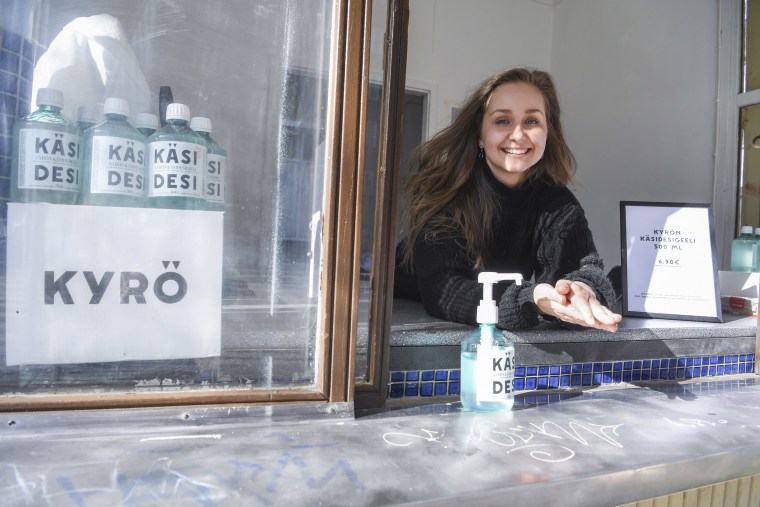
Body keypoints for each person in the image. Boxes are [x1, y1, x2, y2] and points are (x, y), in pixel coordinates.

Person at [394, 67, 621, 332]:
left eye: (531, 121)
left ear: (549, 132)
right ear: (479, 134)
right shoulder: (448, 193)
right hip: (402, 304)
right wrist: (530, 300)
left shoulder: (557, 204)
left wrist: (582, 289)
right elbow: (445, 290)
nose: (517, 134)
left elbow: (585, 268)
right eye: (502, 121)